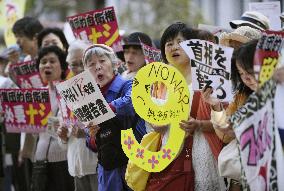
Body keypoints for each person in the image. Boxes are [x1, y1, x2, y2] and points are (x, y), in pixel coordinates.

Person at [132, 22, 225, 191]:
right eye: (169, 44)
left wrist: (199, 125)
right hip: (171, 157)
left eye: (180, 42)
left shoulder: (208, 78)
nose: (174, 47)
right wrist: (157, 125)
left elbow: (225, 123)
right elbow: (152, 124)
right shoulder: (158, 83)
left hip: (203, 153)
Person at [83, 44, 141, 191]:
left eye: (102, 61)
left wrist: (106, 109)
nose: (97, 67)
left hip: (133, 165)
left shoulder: (128, 84)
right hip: (107, 170)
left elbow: (130, 102)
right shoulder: (89, 98)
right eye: (91, 64)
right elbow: (90, 144)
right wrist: (92, 136)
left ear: (114, 64)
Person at [56, 40, 98, 191]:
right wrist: (62, 136)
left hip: (98, 167)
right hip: (76, 168)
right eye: (74, 64)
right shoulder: (65, 93)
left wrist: (86, 134)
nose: (79, 68)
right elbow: (63, 143)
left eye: (83, 63)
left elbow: (111, 132)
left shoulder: (102, 88)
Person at [32, 46, 74, 191]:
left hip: (64, 161)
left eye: (52, 61)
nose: (47, 65)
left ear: (62, 67)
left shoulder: (69, 92)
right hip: (40, 162)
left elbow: (72, 125)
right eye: (43, 62)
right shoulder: (36, 96)